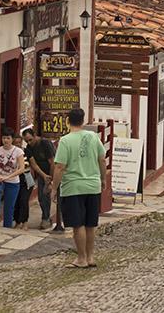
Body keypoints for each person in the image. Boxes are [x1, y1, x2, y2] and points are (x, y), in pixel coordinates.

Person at [51, 108, 107, 269]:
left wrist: (55, 188)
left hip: (73, 186)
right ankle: (90, 257)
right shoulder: (93, 137)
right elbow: (102, 159)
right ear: (83, 121)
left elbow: (60, 166)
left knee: (78, 224)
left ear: (68, 121)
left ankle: (81, 258)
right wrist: (102, 179)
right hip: (92, 186)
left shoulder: (65, 141)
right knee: (90, 224)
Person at [0, 127, 25, 229]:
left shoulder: (18, 151)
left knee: (9, 208)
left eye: (8, 138)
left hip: (13, 182)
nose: (5, 140)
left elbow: (21, 168)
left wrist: (9, 176)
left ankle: (7, 228)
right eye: (4, 138)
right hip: (0, 179)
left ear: (12, 139)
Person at [22, 128, 56, 229]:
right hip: (42, 174)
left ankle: (50, 218)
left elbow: (53, 162)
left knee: (54, 196)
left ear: (35, 135)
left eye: (30, 139)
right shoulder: (29, 147)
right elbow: (34, 164)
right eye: (27, 141)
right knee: (42, 197)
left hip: (53, 171)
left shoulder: (45, 144)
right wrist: (44, 176)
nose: (29, 142)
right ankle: (45, 218)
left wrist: (51, 179)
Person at [13, 134, 32, 230]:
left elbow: (33, 164)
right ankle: (17, 221)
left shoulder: (26, 151)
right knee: (16, 201)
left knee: (24, 201)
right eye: (16, 143)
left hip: (26, 179)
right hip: (15, 180)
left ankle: (25, 221)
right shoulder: (11, 153)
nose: (18, 145)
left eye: (19, 143)